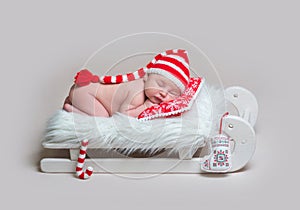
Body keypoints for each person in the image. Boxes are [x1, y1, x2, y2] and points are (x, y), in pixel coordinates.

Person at [63, 49, 191, 118]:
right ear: (146, 77)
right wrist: (146, 107)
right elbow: (123, 116)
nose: (164, 93)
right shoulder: (138, 93)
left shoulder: (147, 89)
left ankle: (74, 103)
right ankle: (71, 110)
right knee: (103, 118)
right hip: (87, 92)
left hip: (87, 92)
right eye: (160, 84)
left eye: (172, 93)